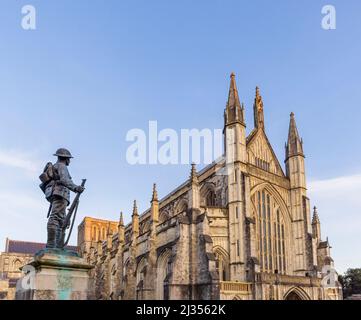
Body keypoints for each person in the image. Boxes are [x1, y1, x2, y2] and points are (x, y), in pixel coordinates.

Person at [44, 148, 85, 249]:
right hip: (60, 194)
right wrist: (76, 187)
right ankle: (52, 245)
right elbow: (65, 180)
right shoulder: (62, 166)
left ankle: (58, 246)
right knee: (55, 218)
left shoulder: (56, 166)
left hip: (57, 194)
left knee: (62, 221)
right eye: (69, 159)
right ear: (65, 159)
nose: (69, 161)